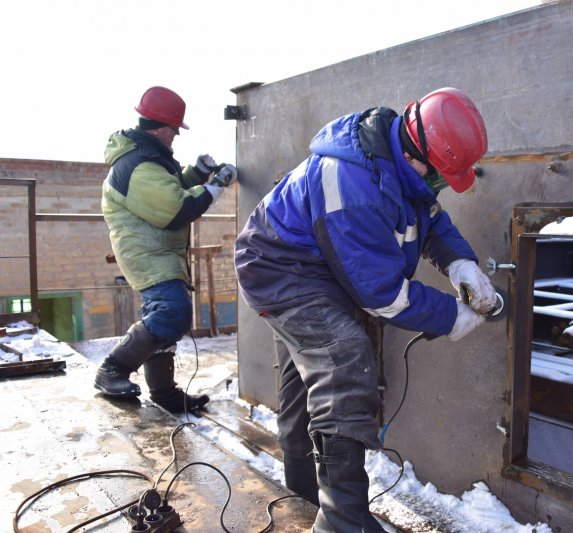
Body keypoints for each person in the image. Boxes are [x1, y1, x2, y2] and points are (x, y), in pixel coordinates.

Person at [234, 87, 496, 531]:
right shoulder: (352, 184)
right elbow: (382, 295)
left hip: (316, 267)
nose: (438, 188)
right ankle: (341, 522)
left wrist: (460, 263)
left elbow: (427, 215)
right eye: (438, 178)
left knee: (305, 374)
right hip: (281, 272)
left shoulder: (394, 160)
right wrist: (452, 316)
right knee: (342, 360)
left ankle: (301, 483)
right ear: (417, 155)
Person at [94, 86, 238, 413]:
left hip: (158, 253)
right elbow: (176, 211)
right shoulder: (136, 165)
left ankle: (164, 394)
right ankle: (111, 371)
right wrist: (215, 185)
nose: (176, 134)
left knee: (162, 320)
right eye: (175, 128)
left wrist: (198, 172)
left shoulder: (149, 159)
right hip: (148, 255)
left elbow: (169, 189)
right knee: (171, 313)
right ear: (161, 126)